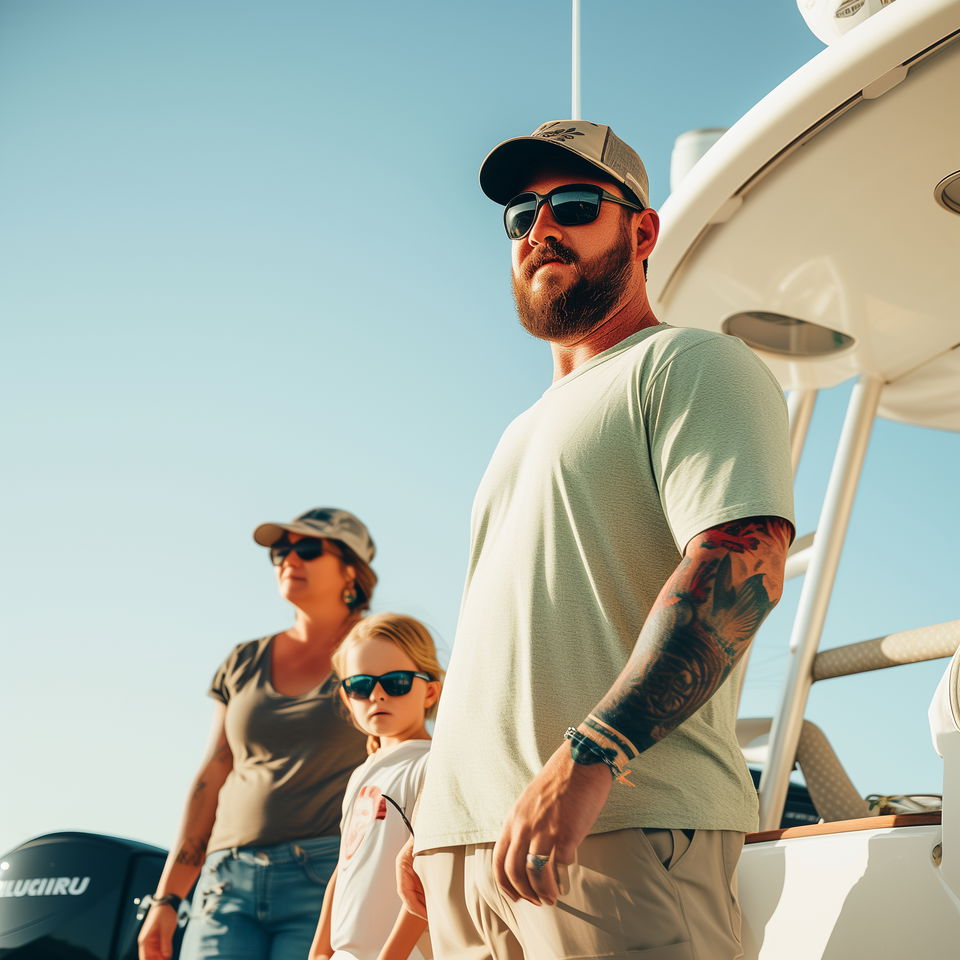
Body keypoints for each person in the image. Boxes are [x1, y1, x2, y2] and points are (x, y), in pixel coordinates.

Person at [399, 120, 796, 959]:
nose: (541, 229)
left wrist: (591, 759)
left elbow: (745, 565)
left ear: (642, 231)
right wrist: (441, 813)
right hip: (467, 859)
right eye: (520, 216)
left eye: (574, 205)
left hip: (613, 824)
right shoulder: (517, 433)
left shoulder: (690, 365)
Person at [137, 507, 378, 960]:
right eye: (280, 551)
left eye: (308, 549)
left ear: (352, 570)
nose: (289, 559)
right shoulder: (242, 660)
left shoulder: (381, 656)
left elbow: (413, 754)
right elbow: (215, 771)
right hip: (226, 881)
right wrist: (167, 899)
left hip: (327, 877)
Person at [309, 613, 443, 960]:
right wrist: (321, 952)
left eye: (396, 682)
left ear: (429, 691)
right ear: (346, 696)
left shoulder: (434, 764)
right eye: (360, 685)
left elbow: (429, 873)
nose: (377, 695)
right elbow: (344, 868)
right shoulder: (361, 775)